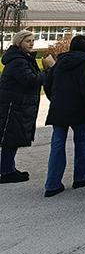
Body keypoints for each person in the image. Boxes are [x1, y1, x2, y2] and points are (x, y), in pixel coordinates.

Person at [43, 35, 85, 196]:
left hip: (58, 107)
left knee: (57, 144)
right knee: (82, 141)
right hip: (78, 108)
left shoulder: (59, 62)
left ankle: (52, 184)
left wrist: (54, 99)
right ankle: (82, 176)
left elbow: (48, 83)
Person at [0, 30, 43, 183]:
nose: (31, 43)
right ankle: (6, 171)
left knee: (13, 138)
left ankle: (8, 168)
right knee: (10, 139)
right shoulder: (18, 61)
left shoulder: (23, 58)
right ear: (19, 42)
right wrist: (47, 73)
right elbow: (30, 80)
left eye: (33, 40)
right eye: (28, 41)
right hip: (13, 105)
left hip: (17, 104)